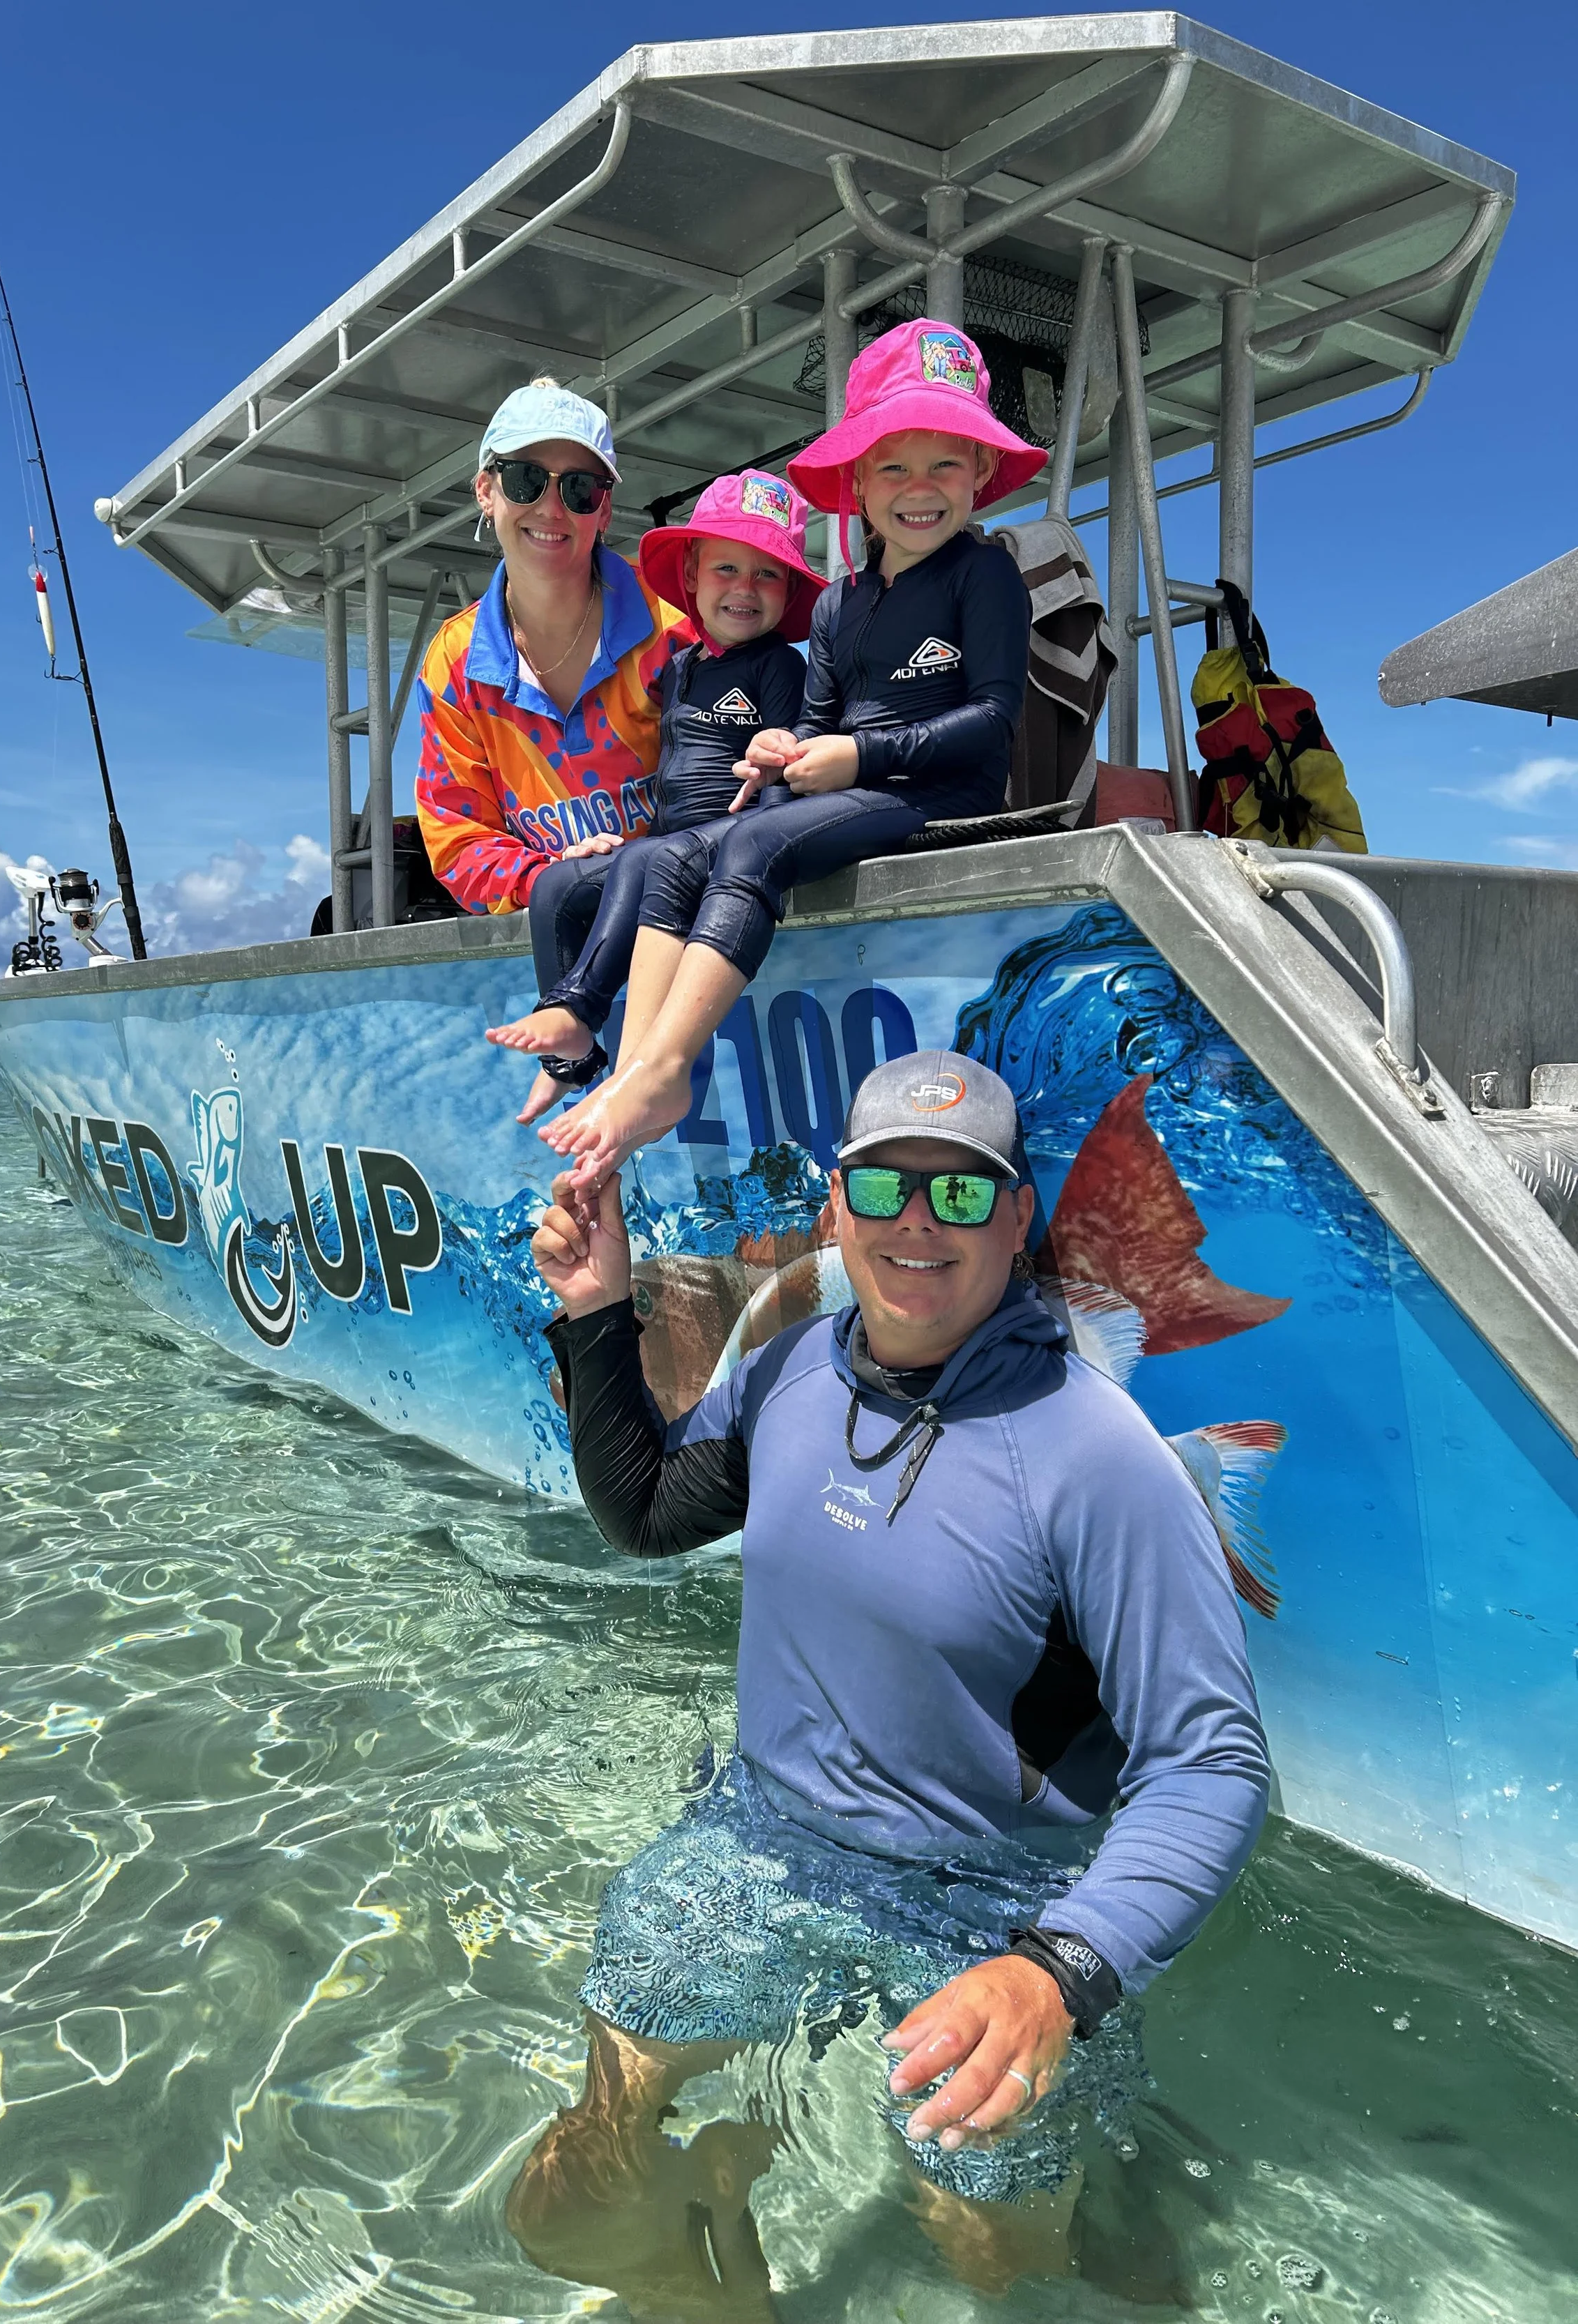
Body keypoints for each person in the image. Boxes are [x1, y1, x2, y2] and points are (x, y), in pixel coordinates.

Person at [511, 1051, 1271, 2309]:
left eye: (964, 1193)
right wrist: (595, 1313)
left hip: (997, 1903)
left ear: (1018, 1215)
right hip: (762, 1840)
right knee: (578, 2170)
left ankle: (1092, 2201)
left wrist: (1059, 1969)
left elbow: (1213, 1763)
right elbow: (647, 1512)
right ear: (838, 1206)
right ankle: (705, 2245)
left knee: (989, 2256)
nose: (920, 1222)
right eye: (887, 1187)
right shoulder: (792, 1369)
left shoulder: (1098, 1459)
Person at [539, 319, 1047, 1190]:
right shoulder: (835, 604)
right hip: (853, 793)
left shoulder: (983, 573)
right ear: (856, 481)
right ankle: (635, 1070)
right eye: (893, 466)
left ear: (981, 474)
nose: (918, 489)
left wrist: (858, 755)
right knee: (676, 856)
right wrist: (783, 750)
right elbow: (816, 732)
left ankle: (664, 1070)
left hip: (944, 797)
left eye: (944, 464)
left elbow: (995, 719)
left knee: (743, 845)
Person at [484, 469, 825, 1122]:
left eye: (767, 575)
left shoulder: (781, 666)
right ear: (692, 575)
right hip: (670, 845)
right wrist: (602, 836)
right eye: (728, 569)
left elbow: (785, 781)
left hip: (734, 847)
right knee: (556, 886)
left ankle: (584, 1007)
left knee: (650, 860)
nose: (745, 591)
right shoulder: (678, 668)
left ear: (789, 592)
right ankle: (571, 1061)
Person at [414, 379, 691, 1061]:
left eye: (579, 489)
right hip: (555, 975)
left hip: (689, 950)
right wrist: (549, 881)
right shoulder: (451, 662)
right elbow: (457, 840)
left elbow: (729, 791)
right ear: (486, 490)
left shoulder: (675, 626)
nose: (550, 507)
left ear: (604, 509)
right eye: (525, 479)